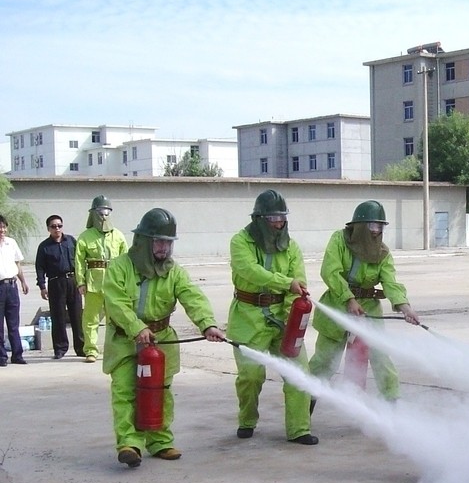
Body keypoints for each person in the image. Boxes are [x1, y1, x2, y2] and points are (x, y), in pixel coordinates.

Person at [102, 208, 226, 468]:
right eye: (159, 241)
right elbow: (116, 303)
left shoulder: (174, 271)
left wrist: (208, 324)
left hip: (161, 341)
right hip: (126, 341)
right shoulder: (120, 267)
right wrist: (137, 328)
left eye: (168, 242)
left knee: (161, 391)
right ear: (144, 241)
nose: (164, 248)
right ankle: (129, 443)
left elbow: (192, 296)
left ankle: (159, 441)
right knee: (125, 391)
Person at [227, 189, 318, 445]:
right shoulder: (240, 242)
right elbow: (249, 271)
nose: (279, 222)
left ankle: (299, 429)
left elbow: (298, 282)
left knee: (300, 373)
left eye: (282, 217)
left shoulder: (292, 247)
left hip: (282, 318)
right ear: (259, 219)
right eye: (273, 217)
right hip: (248, 318)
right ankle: (247, 419)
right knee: (251, 376)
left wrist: (292, 321)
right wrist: (286, 282)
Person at [308, 200, 420, 407]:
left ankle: (392, 403)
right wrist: (349, 299)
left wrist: (404, 306)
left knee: (381, 357)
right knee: (324, 360)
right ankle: (305, 409)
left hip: (368, 307)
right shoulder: (339, 240)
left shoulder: (383, 253)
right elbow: (330, 271)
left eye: (380, 227)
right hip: (337, 304)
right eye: (372, 226)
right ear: (359, 226)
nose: (377, 232)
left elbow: (390, 281)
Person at [75, 195, 128, 363]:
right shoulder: (85, 236)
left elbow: (126, 260)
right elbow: (78, 262)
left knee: (116, 318)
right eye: (100, 212)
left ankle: (115, 349)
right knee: (91, 319)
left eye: (107, 212)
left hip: (114, 283)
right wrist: (81, 282)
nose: (103, 216)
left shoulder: (118, 235)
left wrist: (126, 282)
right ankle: (90, 350)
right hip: (93, 284)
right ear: (93, 213)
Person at [35, 214, 85, 359]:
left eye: (59, 226)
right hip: (55, 282)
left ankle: (80, 348)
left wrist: (82, 281)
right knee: (58, 316)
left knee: (77, 315)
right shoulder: (44, 246)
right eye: (53, 226)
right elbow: (39, 268)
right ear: (48, 229)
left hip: (73, 281)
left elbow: (80, 261)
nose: (57, 229)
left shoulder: (71, 241)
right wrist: (42, 287)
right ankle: (60, 349)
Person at [0, 214, 30, 366]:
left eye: (3, 227)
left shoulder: (11, 243)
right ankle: (1, 357)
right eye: (0, 227)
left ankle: (17, 355)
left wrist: (23, 281)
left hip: (11, 286)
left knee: (13, 323)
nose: (2, 230)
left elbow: (17, 264)